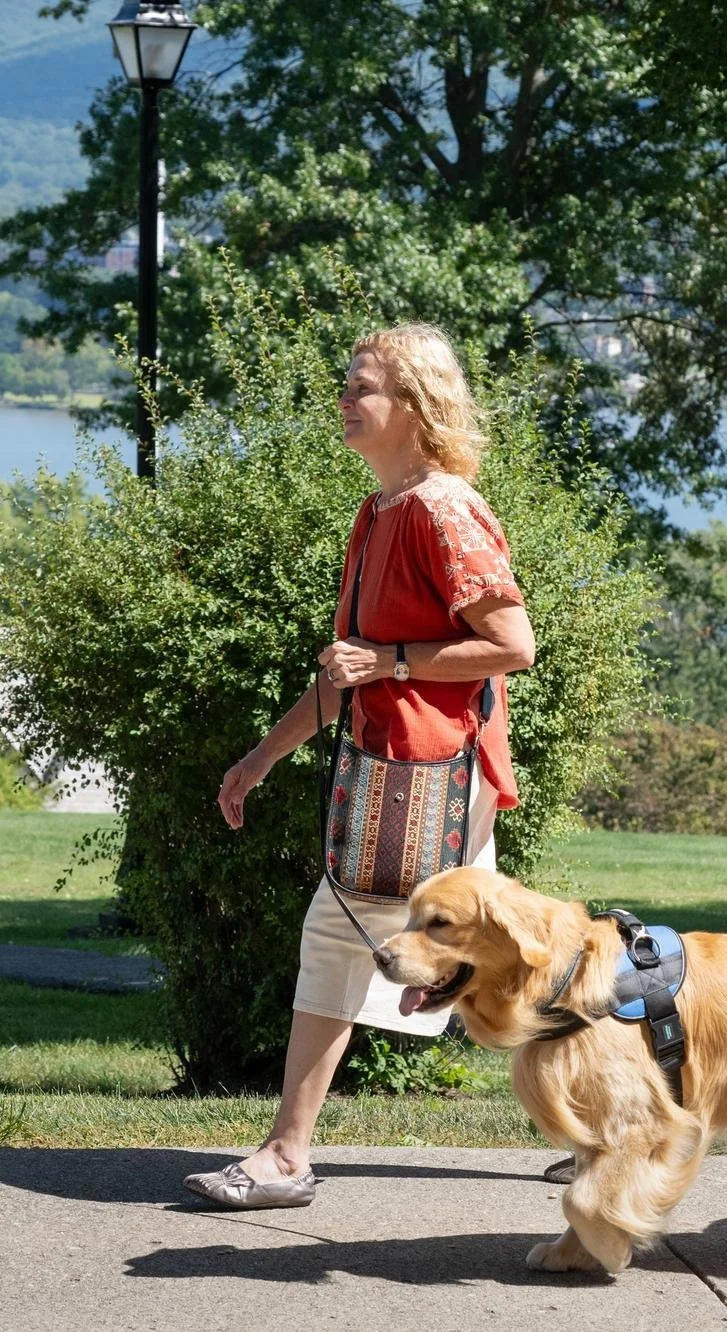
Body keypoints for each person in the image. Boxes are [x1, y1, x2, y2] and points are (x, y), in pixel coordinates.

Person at [183, 324, 536, 1209]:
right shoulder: (382, 511)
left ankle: (284, 1156)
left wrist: (396, 665)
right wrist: (261, 757)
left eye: (362, 387)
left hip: (428, 776)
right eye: (347, 384)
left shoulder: (440, 510)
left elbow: (512, 646)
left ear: (414, 407)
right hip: (407, 773)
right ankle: (619, 1115)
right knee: (508, 953)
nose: (344, 399)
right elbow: (353, 667)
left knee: (338, 937)